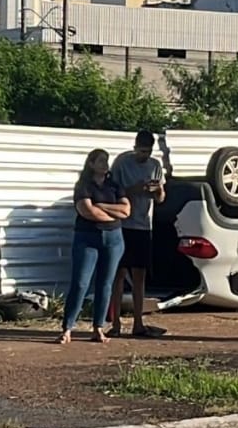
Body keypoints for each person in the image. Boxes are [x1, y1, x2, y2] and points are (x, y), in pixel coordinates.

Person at [57, 148, 130, 345]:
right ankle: (67, 328)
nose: (105, 164)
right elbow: (87, 211)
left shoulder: (114, 185)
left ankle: (98, 328)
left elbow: (126, 210)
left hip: (114, 239)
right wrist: (111, 215)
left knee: (105, 284)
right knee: (80, 282)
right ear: (91, 164)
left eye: (107, 160)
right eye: (100, 161)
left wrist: (101, 206)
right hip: (87, 238)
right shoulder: (83, 186)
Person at [107, 130, 166, 338]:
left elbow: (161, 198)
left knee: (139, 274)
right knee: (119, 274)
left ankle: (138, 322)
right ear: (134, 147)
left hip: (143, 224)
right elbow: (112, 191)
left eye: (148, 151)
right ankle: (115, 323)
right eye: (141, 151)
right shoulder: (122, 162)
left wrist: (157, 190)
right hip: (123, 223)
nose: (145, 155)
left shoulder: (155, 166)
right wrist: (134, 189)